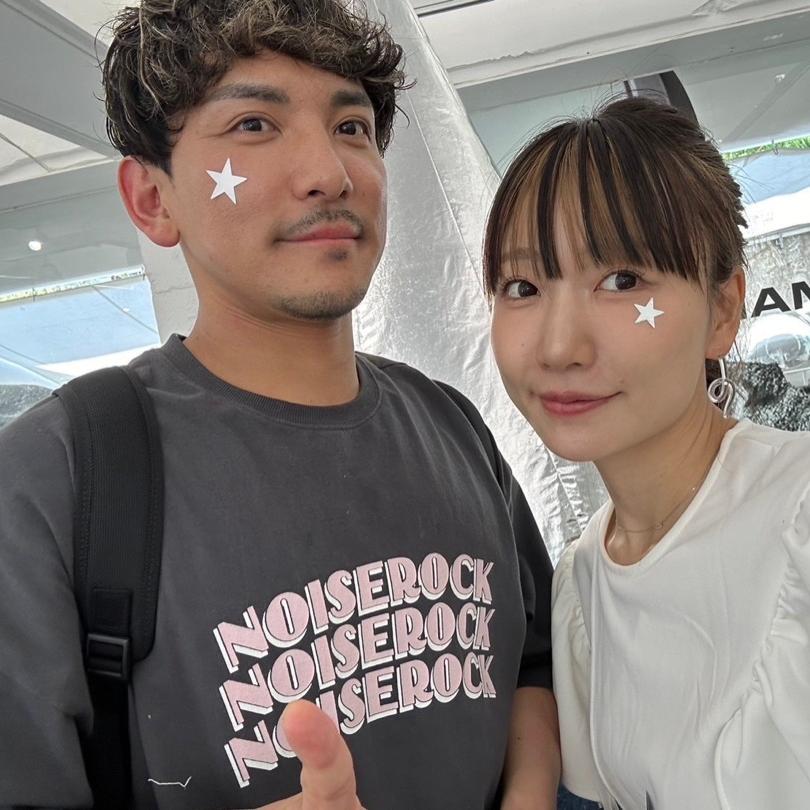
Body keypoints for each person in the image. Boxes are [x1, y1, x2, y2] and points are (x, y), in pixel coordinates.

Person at [0, 1, 560, 808]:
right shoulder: (53, 480)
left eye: (351, 127)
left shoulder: (452, 425)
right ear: (152, 199)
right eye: (255, 125)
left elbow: (533, 664)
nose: (329, 172)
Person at [483, 96, 810, 810]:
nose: (559, 347)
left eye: (622, 281)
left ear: (723, 310)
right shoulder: (579, 590)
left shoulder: (799, 512)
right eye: (523, 286)